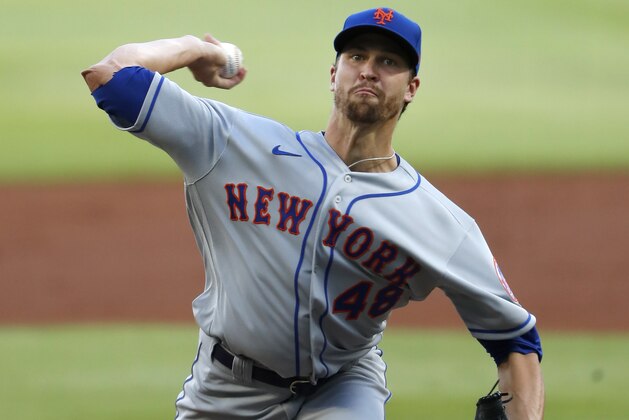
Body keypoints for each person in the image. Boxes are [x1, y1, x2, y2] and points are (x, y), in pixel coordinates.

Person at [82, 7, 544, 420]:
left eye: (388, 62)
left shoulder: (443, 223)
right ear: (333, 72)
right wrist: (195, 49)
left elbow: (516, 341)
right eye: (357, 57)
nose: (369, 70)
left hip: (344, 388)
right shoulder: (234, 144)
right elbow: (113, 78)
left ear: (411, 88)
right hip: (224, 390)